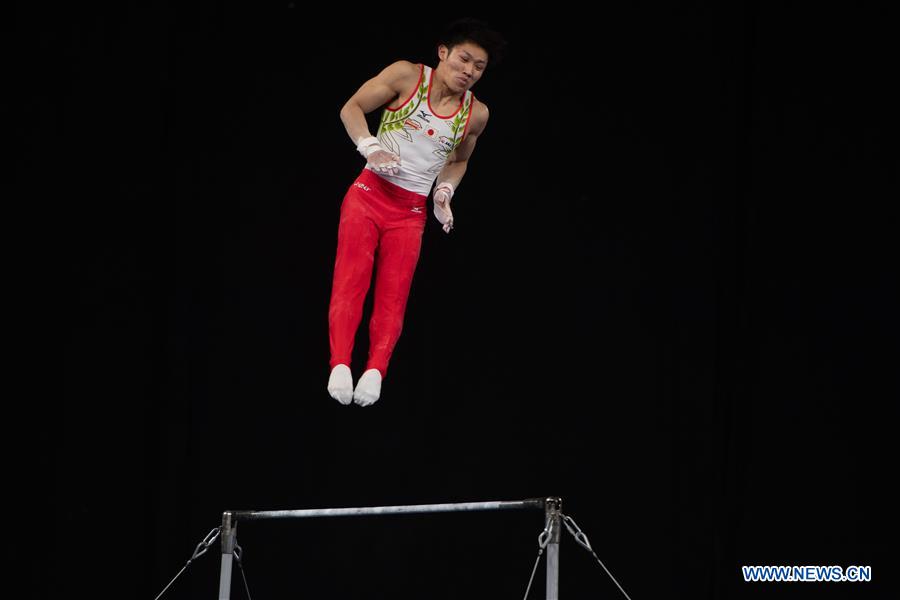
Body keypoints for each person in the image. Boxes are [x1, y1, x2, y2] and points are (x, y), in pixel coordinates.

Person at [326, 18, 506, 406]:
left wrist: (444, 190)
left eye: (479, 67)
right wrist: (370, 146)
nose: (469, 72)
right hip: (368, 194)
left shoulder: (476, 114)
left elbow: (459, 161)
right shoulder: (407, 77)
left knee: (394, 297)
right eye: (463, 59)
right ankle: (340, 361)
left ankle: (375, 370)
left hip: (410, 213)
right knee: (352, 281)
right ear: (443, 52)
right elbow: (351, 108)